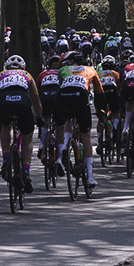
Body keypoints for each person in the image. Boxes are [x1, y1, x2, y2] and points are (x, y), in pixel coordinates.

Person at [0, 54, 43, 193]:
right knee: (27, 139)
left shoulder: (0, 76)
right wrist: (39, 117)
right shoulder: (28, 75)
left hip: (4, 102)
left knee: (5, 126)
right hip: (23, 103)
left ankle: (5, 160)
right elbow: (36, 101)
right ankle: (26, 171)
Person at [55, 49, 104, 188]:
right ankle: (90, 176)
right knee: (86, 136)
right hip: (80, 97)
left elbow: (61, 87)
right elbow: (99, 93)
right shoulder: (90, 70)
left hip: (63, 97)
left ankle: (62, 152)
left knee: (67, 121)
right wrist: (100, 110)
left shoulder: (63, 69)